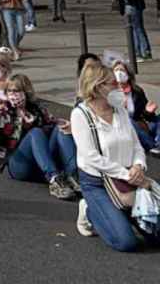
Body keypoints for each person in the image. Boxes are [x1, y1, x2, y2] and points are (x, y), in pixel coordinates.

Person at [71, 62, 156, 252]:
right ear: (97, 87)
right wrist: (127, 174)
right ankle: (91, 211)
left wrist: (139, 166)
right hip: (97, 181)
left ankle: (119, 213)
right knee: (127, 242)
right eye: (113, 84)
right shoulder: (80, 115)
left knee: (156, 236)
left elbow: (136, 144)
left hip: (128, 177)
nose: (119, 87)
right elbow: (91, 156)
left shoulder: (120, 109)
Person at [0, 75, 78, 200]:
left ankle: (72, 174)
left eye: (17, 91)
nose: (13, 95)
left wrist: (69, 125)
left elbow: (53, 121)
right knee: (35, 132)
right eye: (10, 91)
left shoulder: (36, 108)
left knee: (61, 128)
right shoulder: (4, 107)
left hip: (41, 161)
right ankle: (54, 180)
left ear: (26, 91)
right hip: (19, 164)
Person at [111, 59, 159, 153]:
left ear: (128, 74)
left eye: (122, 70)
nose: (119, 73)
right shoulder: (109, 92)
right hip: (123, 130)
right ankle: (151, 145)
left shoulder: (136, 91)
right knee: (128, 120)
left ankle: (158, 145)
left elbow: (147, 117)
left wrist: (148, 112)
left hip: (140, 126)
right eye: (116, 70)